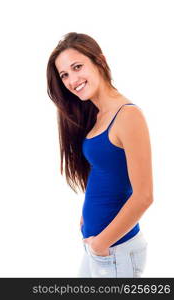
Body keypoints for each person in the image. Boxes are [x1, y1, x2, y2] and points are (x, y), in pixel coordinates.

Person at [46, 32, 153, 277]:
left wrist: (101, 243)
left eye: (77, 67)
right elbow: (106, 169)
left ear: (99, 61)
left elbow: (144, 196)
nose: (72, 80)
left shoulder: (128, 116)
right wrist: (87, 218)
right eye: (64, 75)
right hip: (100, 250)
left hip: (116, 252)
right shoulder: (97, 115)